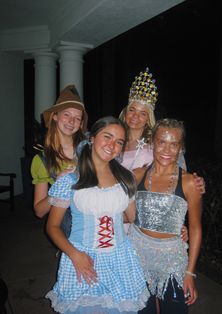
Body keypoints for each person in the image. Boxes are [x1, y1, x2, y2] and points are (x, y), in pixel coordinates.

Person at [45, 116, 150, 314]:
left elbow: (132, 218)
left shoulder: (126, 179)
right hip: (82, 260)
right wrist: (75, 255)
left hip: (120, 261)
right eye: (107, 137)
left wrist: (174, 226)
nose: (112, 145)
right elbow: (52, 226)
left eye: (119, 142)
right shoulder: (71, 179)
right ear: (92, 138)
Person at [129, 118, 202, 314]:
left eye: (174, 144)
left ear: (181, 147)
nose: (167, 150)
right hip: (138, 258)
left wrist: (190, 273)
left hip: (172, 261)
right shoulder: (136, 175)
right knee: (144, 311)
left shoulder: (189, 182)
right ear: (152, 142)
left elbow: (195, 228)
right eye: (162, 142)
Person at [119, 68, 204, 237]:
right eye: (132, 110)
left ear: (149, 117)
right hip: (112, 214)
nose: (135, 116)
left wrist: (178, 223)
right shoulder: (115, 141)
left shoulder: (157, 145)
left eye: (143, 113)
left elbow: (178, 179)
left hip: (142, 223)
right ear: (125, 111)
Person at [31, 85, 88, 236]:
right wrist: (57, 188)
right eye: (67, 115)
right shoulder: (42, 160)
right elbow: (39, 211)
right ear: (55, 116)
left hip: (97, 226)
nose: (71, 121)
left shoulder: (88, 150)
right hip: (69, 233)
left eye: (77, 118)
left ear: (81, 124)